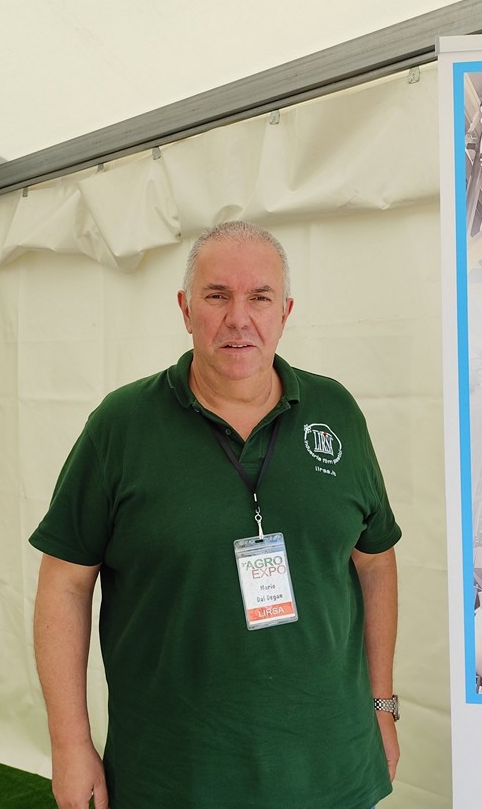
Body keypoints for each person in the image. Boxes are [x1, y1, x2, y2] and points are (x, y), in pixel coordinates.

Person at [31, 220, 400, 809]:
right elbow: (66, 582)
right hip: (175, 775)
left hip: (332, 766)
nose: (238, 318)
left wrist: (382, 706)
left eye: (260, 297)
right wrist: (69, 744)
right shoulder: (120, 426)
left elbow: (375, 561)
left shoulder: (336, 411)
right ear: (185, 309)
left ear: (285, 312)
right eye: (217, 295)